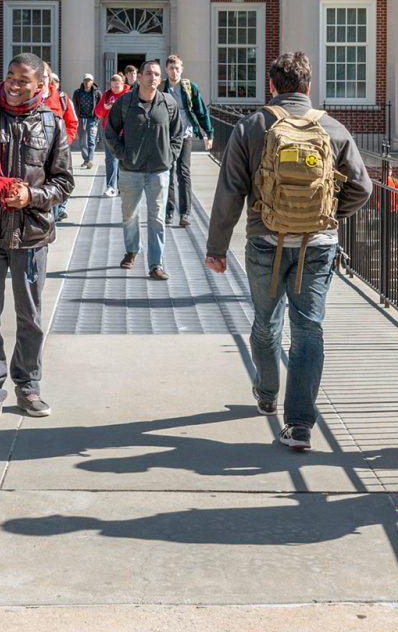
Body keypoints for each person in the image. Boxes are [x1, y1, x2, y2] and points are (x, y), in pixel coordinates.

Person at [205, 52, 372, 451]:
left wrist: (217, 247)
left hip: (265, 239)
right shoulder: (332, 127)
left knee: (266, 320)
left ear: (272, 84)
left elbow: (230, 191)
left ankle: (266, 392)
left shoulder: (251, 126)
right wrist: (329, 214)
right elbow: (362, 188)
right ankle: (299, 426)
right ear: (309, 86)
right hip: (318, 243)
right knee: (309, 328)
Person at [0, 52, 74, 426]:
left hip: (32, 235)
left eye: (23, 80)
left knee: (31, 318)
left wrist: (32, 198)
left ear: (40, 84)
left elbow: (64, 182)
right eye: (10, 77)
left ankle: (28, 385)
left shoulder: (52, 124)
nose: (15, 85)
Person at [105, 60, 183, 281]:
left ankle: (156, 264)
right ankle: (132, 250)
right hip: (131, 171)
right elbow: (110, 133)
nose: (153, 77)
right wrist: (123, 155)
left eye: (157, 74)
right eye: (148, 73)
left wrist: (170, 156)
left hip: (159, 171)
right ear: (139, 77)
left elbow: (177, 135)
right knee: (130, 215)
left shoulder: (168, 103)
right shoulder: (125, 103)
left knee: (157, 218)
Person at [163, 54, 213, 228]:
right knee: (167, 173)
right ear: (166, 70)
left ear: (181, 69)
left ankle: (185, 213)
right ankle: (169, 211)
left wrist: (209, 132)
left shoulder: (189, 87)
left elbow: (200, 111)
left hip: (185, 135)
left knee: (183, 173)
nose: (174, 71)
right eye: (171, 68)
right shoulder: (162, 88)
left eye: (177, 68)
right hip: (166, 137)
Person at [43, 66, 79, 222]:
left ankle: (56, 215)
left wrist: (65, 143)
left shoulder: (62, 99)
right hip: (35, 154)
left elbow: (72, 123)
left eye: (44, 76)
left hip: (57, 151)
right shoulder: (27, 97)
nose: (41, 79)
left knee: (59, 183)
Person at [95, 73, 130, 197]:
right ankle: (110, 187)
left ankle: (123, 186)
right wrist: (105, 108)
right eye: (113, 86)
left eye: (117, 86)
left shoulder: (128, 95)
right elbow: (98, 113)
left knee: (123, 159)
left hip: (124, 131)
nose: (114, 89)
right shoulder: (107, 94)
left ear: (123, 84)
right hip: (108, 131)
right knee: (111, 159)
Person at [73, 74, 102, 170]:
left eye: (89, 80)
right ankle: (86, 159)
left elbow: (100, 105)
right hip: (81, 119)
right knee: (82, 142)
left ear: (92, 82)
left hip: (92, 119)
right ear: (83, 81)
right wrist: (76, 117)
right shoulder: (77, 93)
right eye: (85, 80)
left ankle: (89, 160)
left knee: (91, 140)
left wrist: (97, 117)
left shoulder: (97, 93)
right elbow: (74, 106)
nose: (87, 82)